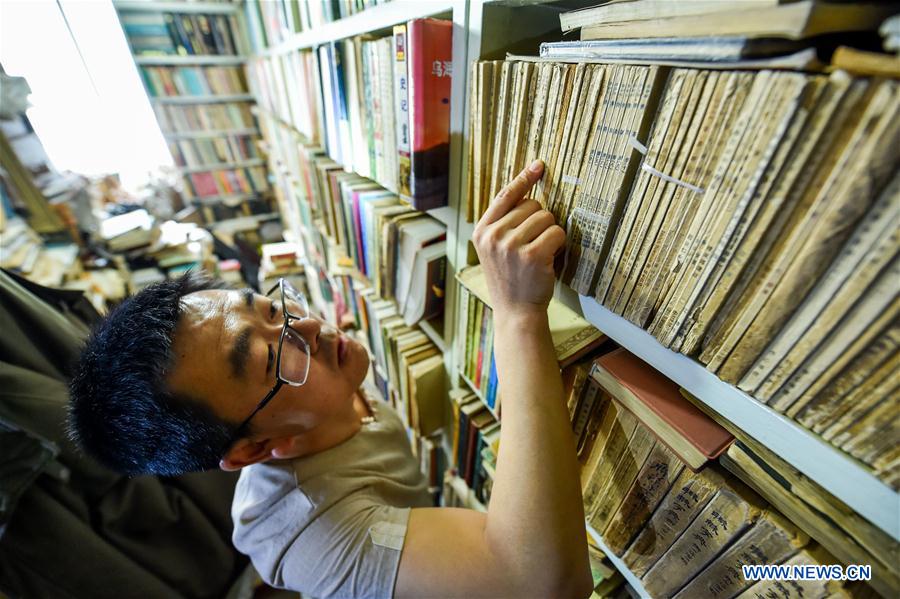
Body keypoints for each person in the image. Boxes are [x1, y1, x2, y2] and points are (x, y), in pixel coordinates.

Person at [69, 160, 593, 598]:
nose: (313, 328)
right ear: (255, 450)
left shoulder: (309, 386)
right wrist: (518, 315)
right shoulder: (315, 535)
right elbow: (539, 584)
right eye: (269, 358)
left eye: (270, 308)